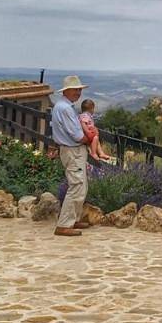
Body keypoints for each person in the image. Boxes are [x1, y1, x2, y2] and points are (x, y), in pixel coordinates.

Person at [51, 75, 90, 237]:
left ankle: (72, 219)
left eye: (79, 90)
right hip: (73, 150)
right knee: (77, 185)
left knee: (81, 185)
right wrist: (91, 138)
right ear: (66, 91)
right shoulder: (66, 109)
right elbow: (76, 134)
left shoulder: (61, 106)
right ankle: (64, 224)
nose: (78, 93)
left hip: (69, 150)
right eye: (75, 90)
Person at [79, 99, 114, 163]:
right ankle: (94, 153)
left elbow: (89, 124)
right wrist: (87, 131)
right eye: (93, 109)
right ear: (91, 109)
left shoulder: (84, 115)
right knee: (95, 138)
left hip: (87, 133)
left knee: (96, 140)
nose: (93, 111)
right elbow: (83, 123)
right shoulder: (85, 115)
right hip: (86, 134)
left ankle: (101, 153)